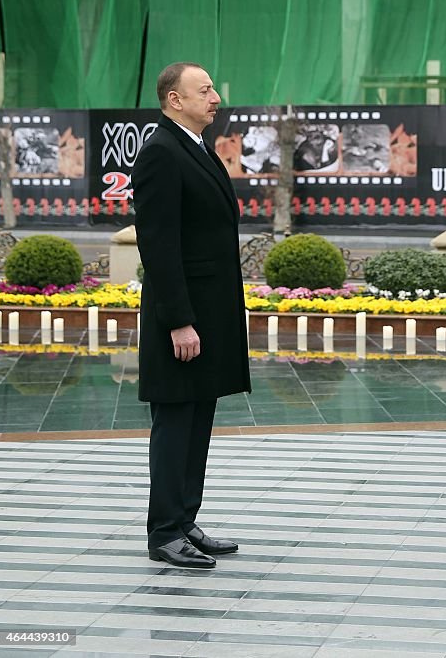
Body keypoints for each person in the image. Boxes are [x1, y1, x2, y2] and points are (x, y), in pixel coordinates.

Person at [133, 62, 252, 569]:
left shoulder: (197, 147)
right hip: (180, 316)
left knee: (198, 417)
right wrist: (178, 320)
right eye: (203, 90)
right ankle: (164, 531)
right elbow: (158, 246)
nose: (215, 96)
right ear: (173, 100)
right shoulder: (161, 151)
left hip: (209, 311)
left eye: (213, 88)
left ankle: (185, 520)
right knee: (176, 419)